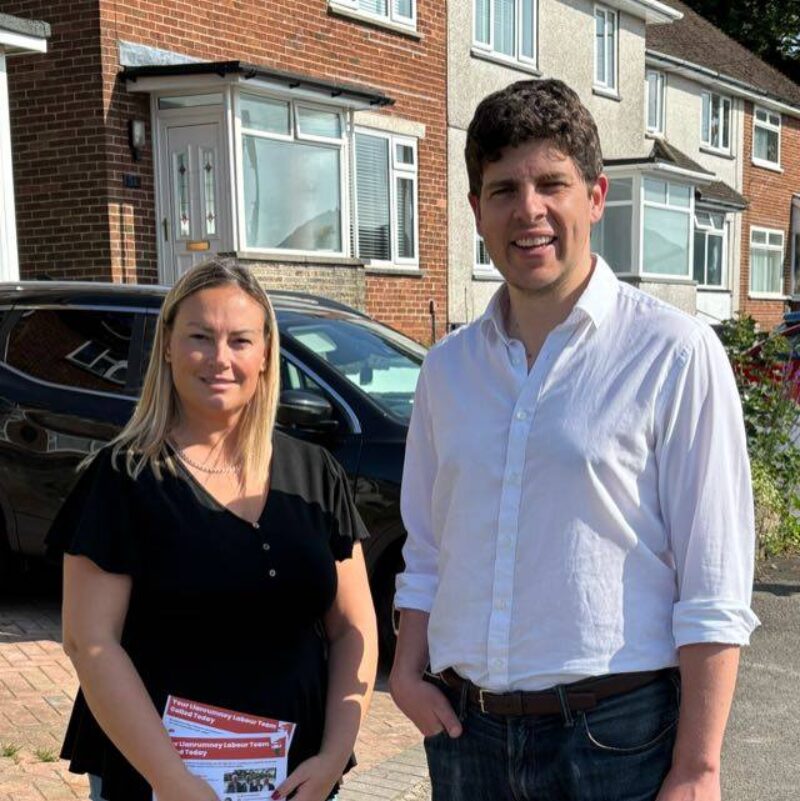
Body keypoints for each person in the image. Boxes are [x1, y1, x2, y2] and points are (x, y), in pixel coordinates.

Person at [389, 78, 759, 801]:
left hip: (616, 740)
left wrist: (698, 767)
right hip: (467, 737)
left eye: (551, 183)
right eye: (503, 189)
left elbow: (713, 579)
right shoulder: (447, 369)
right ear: (476, 211)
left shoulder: (673, 352)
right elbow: (428, 544)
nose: (528, 209)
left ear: (596, 196)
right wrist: (405, 670)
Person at [48, 258, 377, 801]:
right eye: (201, 337)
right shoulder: (124, 477)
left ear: (267, 353)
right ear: (169, 346)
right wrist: (173, 781)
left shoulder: (315, 473)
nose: (221, 359)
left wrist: (333, 756)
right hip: (159, 781)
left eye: (240, 341)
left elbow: (352, 629)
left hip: (296, 779)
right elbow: (90, 642)